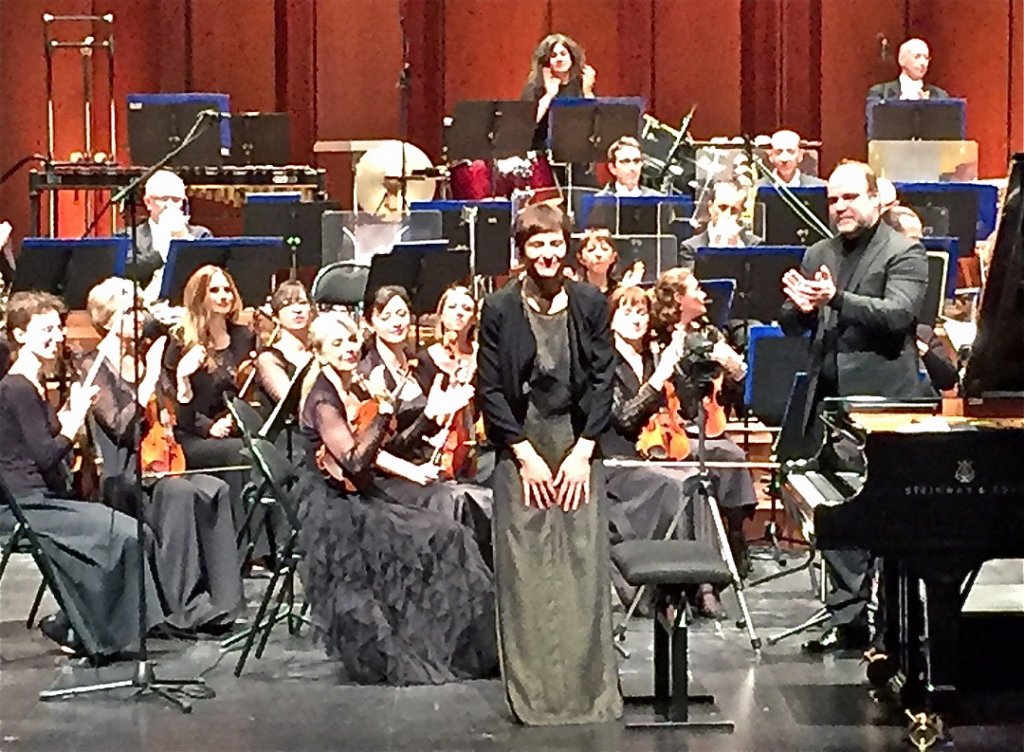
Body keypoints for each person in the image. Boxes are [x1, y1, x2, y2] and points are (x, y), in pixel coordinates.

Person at [477, 203, 621, 725]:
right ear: (522, 251)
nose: (547, 254)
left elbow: (604, 380)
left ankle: (588, 695)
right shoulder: (499, 308)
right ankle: (536, 697)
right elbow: (489, 388)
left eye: (555, 243)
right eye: (536, 245)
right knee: (528, 571)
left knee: (583, 564)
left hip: (578, 444)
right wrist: (523, 454)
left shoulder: (588, 302)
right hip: (523, 445)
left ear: (568, 247)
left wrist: (585, 449)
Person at [298, 311, 497, 685]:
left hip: (363, 491)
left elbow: (387, 448)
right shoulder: (323, 398)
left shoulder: (351, 387)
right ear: (320, 353)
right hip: (340, 507)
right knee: (444, 536)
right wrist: (384, 413)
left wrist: (426, 418)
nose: (349, 349)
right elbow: (355, 460)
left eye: (352, 340)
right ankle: (439, 647)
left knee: (447, 524)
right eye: (337, 344)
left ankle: (457, 644)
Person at [779, 159, 928, 653]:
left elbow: (898, 314)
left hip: (885, 405)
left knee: (885, 517)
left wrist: (836, 298)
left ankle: (895, 622)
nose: (840, 207)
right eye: (834, 200)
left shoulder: (905, 251)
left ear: (875, 200)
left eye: (850, 198)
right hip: (830, 406)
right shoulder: (819, 250)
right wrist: (799, 308)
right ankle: (848, 620)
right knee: (838, 513)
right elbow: (793, 321)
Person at [0, 291, 164, 658]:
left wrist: (70, 414)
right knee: (121, 534)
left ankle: (82, 625)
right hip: (25, 505)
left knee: (125, 531)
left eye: (58, 328)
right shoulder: (17, 387)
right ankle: (96, 633)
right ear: (19, 335)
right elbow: (45, 456)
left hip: (43, 498)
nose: (56, 337)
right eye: (45, 330)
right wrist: (73, 421)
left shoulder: (33, 383)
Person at [81, 278, 243, 632]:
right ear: (107, 320)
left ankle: (224, 603)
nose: (140, 317)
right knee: (180, 491)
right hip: (122, 473)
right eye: (130, 311)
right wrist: (151, 374)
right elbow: (121, 427)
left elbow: (175, 407)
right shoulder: (92, 365)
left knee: (215, 488)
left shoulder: (143, 356)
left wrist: (179, 380)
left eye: (142, 309)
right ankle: (182, 609)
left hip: (160, 464)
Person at [602, 285, 729, 615]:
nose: (636, 320)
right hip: (619, 461)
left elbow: (688, 410)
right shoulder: (603, 364)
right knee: (674, 484)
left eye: (642, 313)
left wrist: (685, 370)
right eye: (627, 312)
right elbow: (623, 419)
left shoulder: (656, 356)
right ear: (612, 319)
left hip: (659, 454)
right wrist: (657, 380)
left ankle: (705, 584)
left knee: (697, 479)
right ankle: (679, 585)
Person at [359, 286, 492, 552]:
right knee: (464, 500)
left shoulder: (414, 363)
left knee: (488, 494)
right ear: (370, 322)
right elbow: (377, 450)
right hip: (389, 478)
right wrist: (428, 418)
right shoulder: (368, 373)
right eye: (386, 316)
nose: (397, 322)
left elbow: (424, 425)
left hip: (423, 466)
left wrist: (439, 422)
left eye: (402, 314)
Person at [649, 268, 757, 579]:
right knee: (725, 456)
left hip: (706, 421)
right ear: (679, 298)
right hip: (671, 427)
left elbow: (732, 394)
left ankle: (736, 537)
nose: (705, 294)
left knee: (732, 456)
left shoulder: (710, 332)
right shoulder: (656, 336)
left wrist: (736, 370)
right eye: (696, 288)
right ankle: (719, 550)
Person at [124, 170, 213, 300]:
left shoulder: (201, 235)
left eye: (176, 200)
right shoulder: (130, 236)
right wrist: (163, 247)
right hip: (146, 308)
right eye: (164, 199)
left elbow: (208, 273)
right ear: (148, 202)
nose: (170, 205)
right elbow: (128, 272)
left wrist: (184, 238)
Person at [522, 33, 596, 149]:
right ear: (546, 61)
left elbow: (594, 122)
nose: (559, 59)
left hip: (577, 151)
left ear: (572, 57)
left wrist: (587, 92)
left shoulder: (582, 83)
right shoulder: (535, 86)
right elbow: (526, 124)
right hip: (543, 150)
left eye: (563, 54)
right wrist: (549, 95)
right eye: (553, 55)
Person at [253, 279, 314, 413]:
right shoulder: (268, 359)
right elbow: (290, 403)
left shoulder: (321, 352)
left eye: (303, 303)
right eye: (287, 305)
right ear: (275, 317)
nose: (297, 310)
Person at [678, 180, 763, 269]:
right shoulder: (690, 248)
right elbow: (692, 281)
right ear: (710, 206)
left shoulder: (755, 245)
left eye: (734, 210)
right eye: (722, 207)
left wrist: (738, 248)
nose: (727, 215)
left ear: (741, 212)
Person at [867, 38, 950, 102]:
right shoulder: (880, 93)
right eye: (917, 57)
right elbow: (874, 122)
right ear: (901, 60)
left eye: (926, 57)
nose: (923, 62)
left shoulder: (939, 96)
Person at [572, 228, 645, 297]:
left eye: (605, 249)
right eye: (591, 250)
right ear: (580, 258)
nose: (598, 254)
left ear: (613, 256)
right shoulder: (574, 291)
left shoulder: (619, 291)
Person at [759, 130, 825, 187]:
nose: (784, 158)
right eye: (779, 152)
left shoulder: (817, 186)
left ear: (800, 156)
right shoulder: (756, 188)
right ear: (771, 156)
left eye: (790, 151)